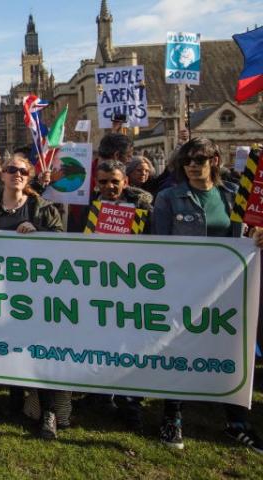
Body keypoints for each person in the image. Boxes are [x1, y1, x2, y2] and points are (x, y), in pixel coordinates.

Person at [151, 137, 263, 453]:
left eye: (198, 159)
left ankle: (238, 423)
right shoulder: (168, 198)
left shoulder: (232, 197)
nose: (191, 165)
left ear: (214, 160)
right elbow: (158, 246)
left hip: (225, 289)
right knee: (177, 348)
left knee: (231, 349)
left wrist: (257, 236)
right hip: (181, 287)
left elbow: (244, 238)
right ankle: (172, 417)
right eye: (186, 160)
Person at [0, 153, 65, 439]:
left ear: (28, 177)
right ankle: (15, 401)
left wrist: (39, 231)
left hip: (34, 292)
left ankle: (49, 413)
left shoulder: (41, 207)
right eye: (11, 170)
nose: (16, 174)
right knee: (11, 345)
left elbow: (63, 241)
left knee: (39, 351)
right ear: (2, 174)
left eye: (22, 171)